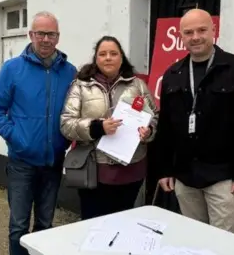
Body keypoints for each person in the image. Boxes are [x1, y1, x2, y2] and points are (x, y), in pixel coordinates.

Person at [155, 9, 234, 235]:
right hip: (185, 178)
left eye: (202, 30)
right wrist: (164, 169)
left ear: (214, 30)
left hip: (225, 178)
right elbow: (166, 127)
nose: (195, 36)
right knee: (194, 240)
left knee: (226, 244)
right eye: (188, 32)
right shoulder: (172, 74)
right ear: (181, 36)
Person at [0, 11, 76, 255]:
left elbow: (75, 112)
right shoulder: (12, 68)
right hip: (21, 163)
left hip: (53, 162)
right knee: (18, 227)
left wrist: (66, 140)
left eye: (51, 34)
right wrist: (16, 138)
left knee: (45, 226)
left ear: (58, 37)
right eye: (40, 33)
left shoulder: (69, 71)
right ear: (31, 35)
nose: (45, 39)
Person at [60, 35, 159, 220]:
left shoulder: (138, 85)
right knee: (93, 226)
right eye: (103, 54)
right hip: (93, 171)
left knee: (123, 226)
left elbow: (155, 117)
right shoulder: (80, 86)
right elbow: (66, 124)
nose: (108, 58)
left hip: (131, 171)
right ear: (96, 59)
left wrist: (149, 132)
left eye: (113, 53)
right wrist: (97, 127)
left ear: (121, 58)